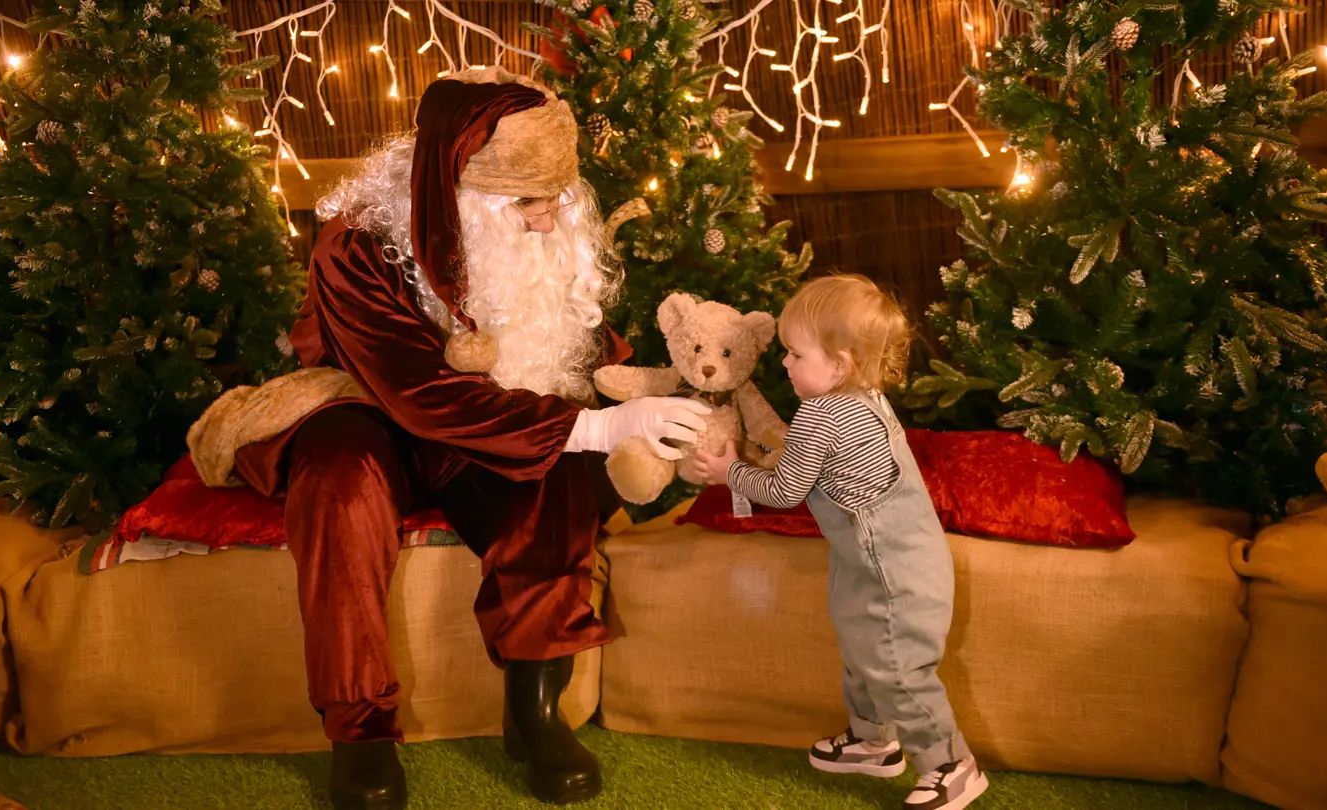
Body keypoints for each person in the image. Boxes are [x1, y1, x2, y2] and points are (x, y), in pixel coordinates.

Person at [199, 67, 708, 809]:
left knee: (554, 470)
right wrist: (595, 426)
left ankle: (533, 713)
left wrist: (651, 416)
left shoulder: (543, 234)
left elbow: (579, 355)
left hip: (488, 424)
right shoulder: (357, 244)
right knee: (338, 481)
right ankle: (360, 732)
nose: (547, 222)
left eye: (557, 197)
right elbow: (418, 394)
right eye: (527, 202)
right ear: (456, 190)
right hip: (367, 408)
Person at [693, 274, 987, 810]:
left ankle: (951, 765)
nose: (784, 363)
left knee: (898, 668)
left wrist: (728, 471)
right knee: (862, 646)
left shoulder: (821, 414)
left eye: (795, 353)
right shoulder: (866, 399)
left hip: (893, 571)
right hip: (885, 558)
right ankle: (873, 741)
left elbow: (784, 491)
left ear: (840, 364)